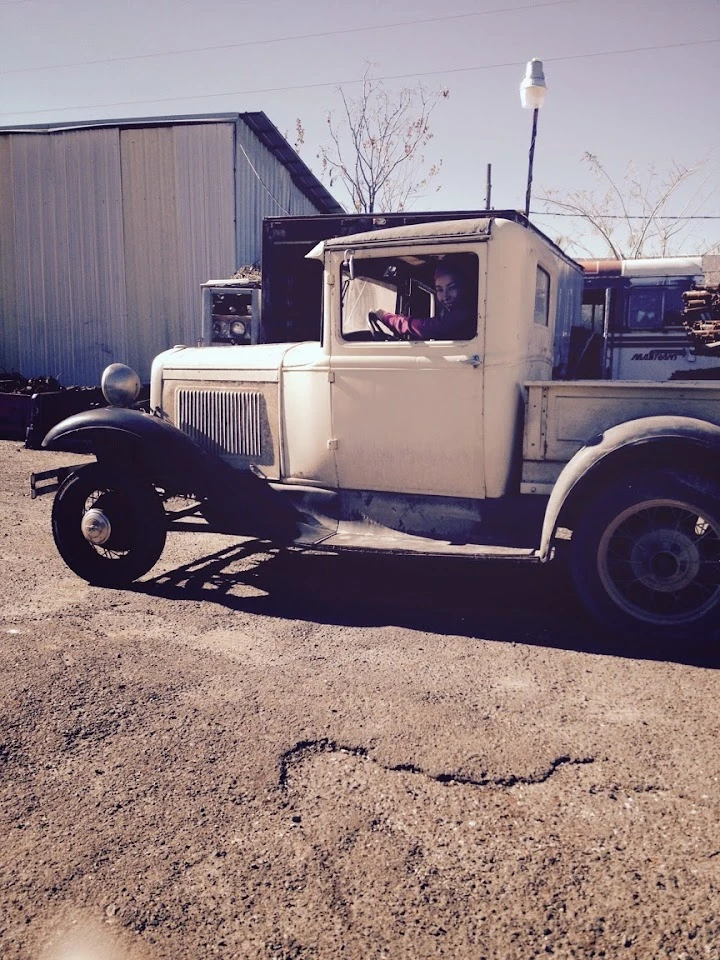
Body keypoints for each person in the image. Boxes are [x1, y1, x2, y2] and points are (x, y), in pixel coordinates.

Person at [371, 262, 476, 340]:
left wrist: (386, 317)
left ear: (463, 287)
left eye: (451, 288)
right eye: (440, 290)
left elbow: (429, 328)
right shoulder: (453, 313)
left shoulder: (466, 313)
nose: (445, 296)